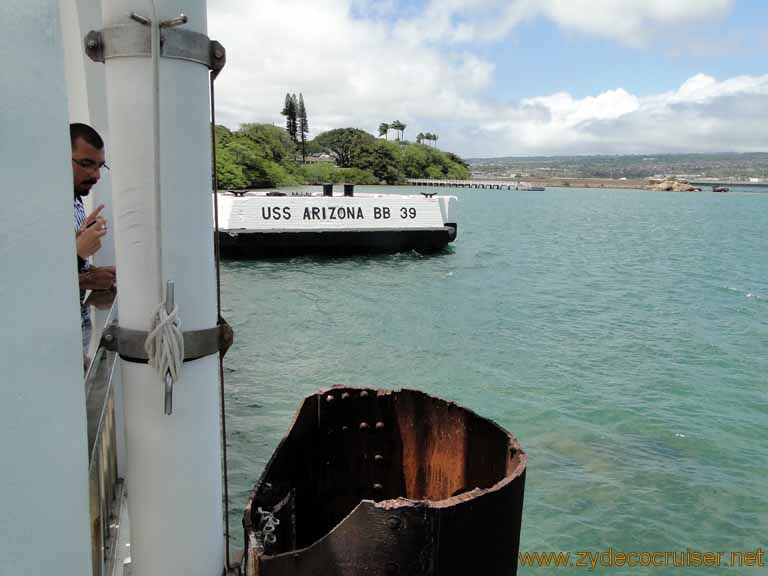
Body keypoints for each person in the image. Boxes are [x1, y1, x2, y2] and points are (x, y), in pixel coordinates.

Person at [70, 123, 116, 366]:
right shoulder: (37, 210)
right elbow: (27, 285)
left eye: (100, 165)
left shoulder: (74, 199)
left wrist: (89, 273)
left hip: (76, 339)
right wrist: (79, 254)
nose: (96, 175)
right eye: (86, 164)